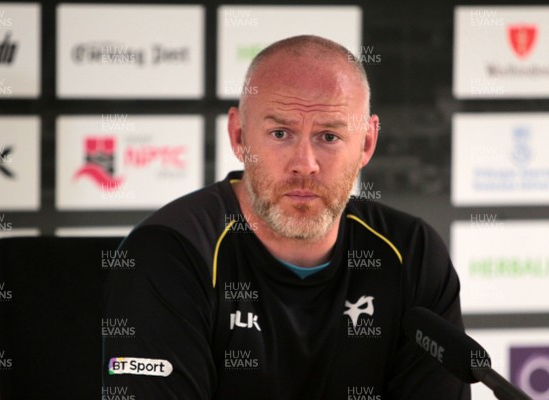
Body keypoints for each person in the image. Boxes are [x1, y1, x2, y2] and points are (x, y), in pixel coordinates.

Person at [102, 35, 470, 399]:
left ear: (367, 143)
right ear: (239, 136)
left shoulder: (412, 254)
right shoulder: (169, 254)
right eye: (280, 133)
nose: (304, 165)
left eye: (329, 136)